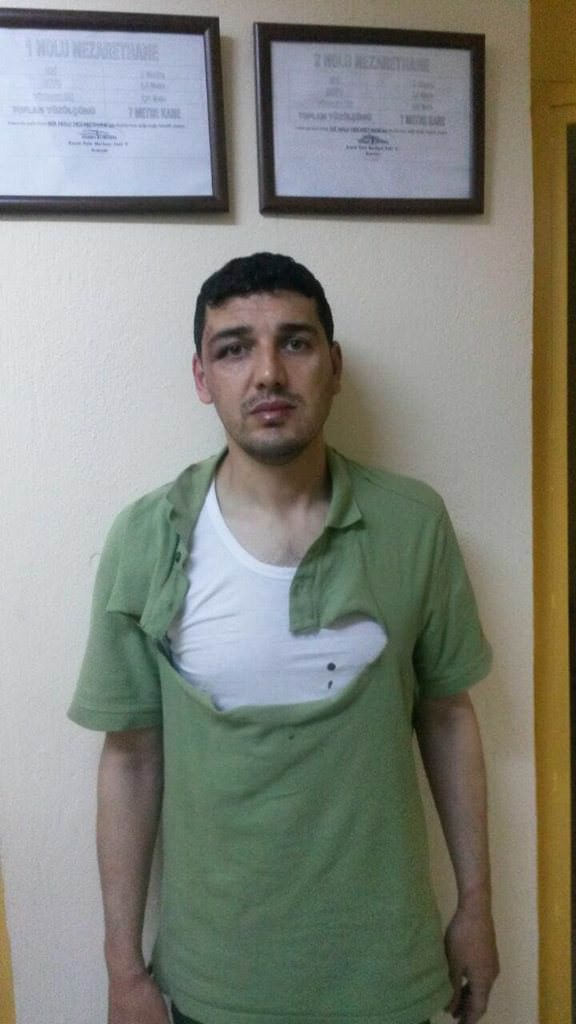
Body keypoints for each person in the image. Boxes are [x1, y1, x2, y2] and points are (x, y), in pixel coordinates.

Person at [69, 252, 499, 1024]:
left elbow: (447, 716)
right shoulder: (146, 538)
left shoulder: (413, 524)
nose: (268, 373)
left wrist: (476, 905)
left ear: (333, 367)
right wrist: (122, 968)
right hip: (212, 986)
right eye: (234, 348)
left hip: (388, 979)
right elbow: (130, 759)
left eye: (295, 343)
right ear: (202, 377)